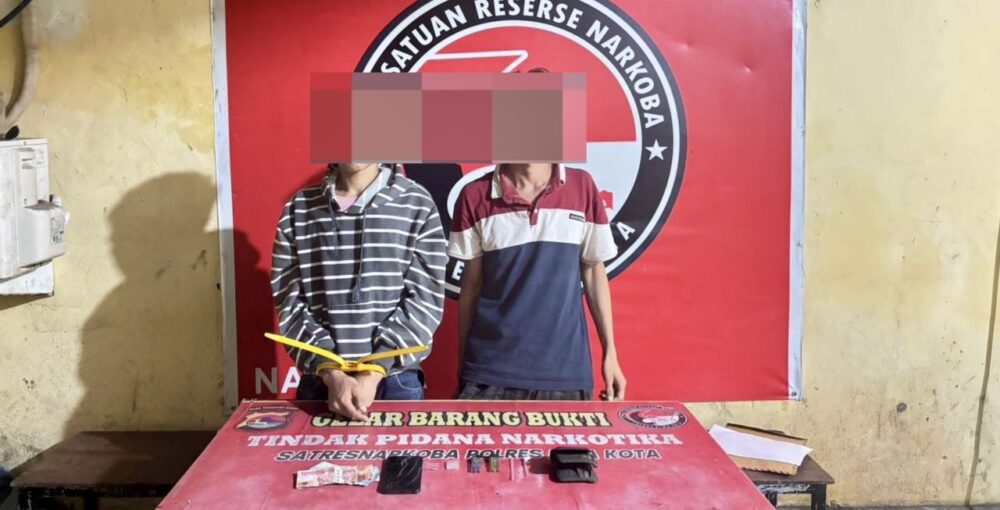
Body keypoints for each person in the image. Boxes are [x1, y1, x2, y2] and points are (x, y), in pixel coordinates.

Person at [271, 162, 447, 419]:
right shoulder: (299, 208)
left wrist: (374, 371)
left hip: (395, 380)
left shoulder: (417, 203)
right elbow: (290, 302)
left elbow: (425, 300)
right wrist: (331, 371)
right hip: (321, 381)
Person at [448, 162, 627, 401]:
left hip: (566, 372)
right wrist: (463, 366)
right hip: (489, 373)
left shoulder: (581, 186)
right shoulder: (474, 194)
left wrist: (610, 353)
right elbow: (471, 287)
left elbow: (594, 271)